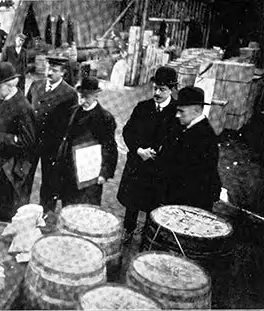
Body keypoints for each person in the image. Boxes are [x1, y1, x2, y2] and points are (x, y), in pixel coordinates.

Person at [117, 66, 179, 243]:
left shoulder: (176, 112)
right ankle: (128, 230)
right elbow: (128, 132)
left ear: (172, 90)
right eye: (155, 88)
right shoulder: (142, 107)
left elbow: (177, 141)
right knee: (132, 202)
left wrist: (160, 153)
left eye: (163, 89)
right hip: (137, 164)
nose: (157, 93)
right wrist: (139, 150)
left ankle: (149, 235)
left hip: (159, 169)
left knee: (154, 205)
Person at [0, 62, 37, 222]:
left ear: (10, 84)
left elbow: (28, 142)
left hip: (9, 171)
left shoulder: (23, 107)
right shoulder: (4, 99)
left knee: (7, 213)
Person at [50, 77, 118, 206]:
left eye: (87, 97)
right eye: (80, 96)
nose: (82, 101)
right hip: (70, 171)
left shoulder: (104, 118)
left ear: (96, 96)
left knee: (87, 209)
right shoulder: (73, 112)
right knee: (68, 206)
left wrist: (104, 173)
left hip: (90, 175)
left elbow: (109, 147)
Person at [26, 56, 78, 212]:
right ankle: (21, 212)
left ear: (62, 73)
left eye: (54, 70)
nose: (49, 72)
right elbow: (26, 111)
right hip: (32, 142)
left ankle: (46, 215)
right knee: (24, 178)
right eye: (48, 68)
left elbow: (70, 125)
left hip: (53, 147)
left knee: (50, 183)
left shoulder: (69, 94)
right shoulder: (36, 85)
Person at [159, 86, 222, 211]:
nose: (177, 115)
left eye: (181, 111)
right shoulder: (191, 128)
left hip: (191, 201)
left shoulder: (202, 136)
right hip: (186, 196)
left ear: (196, 110)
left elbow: (188, 172)